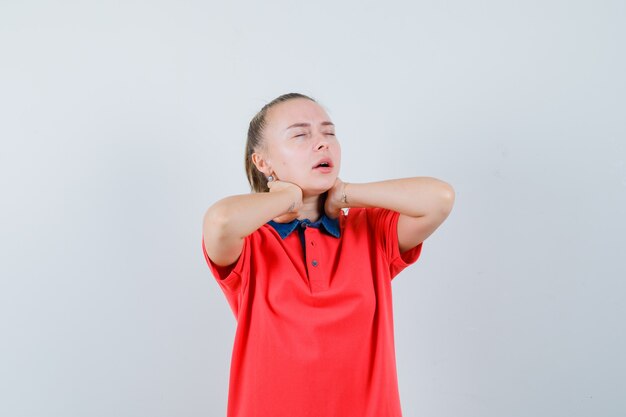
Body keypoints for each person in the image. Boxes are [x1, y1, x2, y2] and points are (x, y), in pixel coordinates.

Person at [202, 93, 455, 417]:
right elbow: (219, 221)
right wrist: (286, 198)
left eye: (329, 132)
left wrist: (346, 193)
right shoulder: (250, 242)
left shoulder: (370, 230)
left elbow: (440, 198)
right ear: (263, 162)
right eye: (300, 134)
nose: (322, 144)